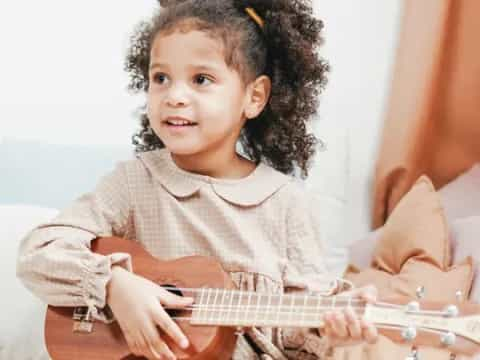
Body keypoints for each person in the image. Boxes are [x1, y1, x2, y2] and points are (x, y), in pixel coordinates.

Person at [17, 0, 378, 359]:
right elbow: (39, 252)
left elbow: (298, 343)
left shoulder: (287, 205)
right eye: (160, 78)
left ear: (254, 97)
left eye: (201, 79)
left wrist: (329, 332)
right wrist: (114, 285)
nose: (174, 96)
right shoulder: (135, 182)